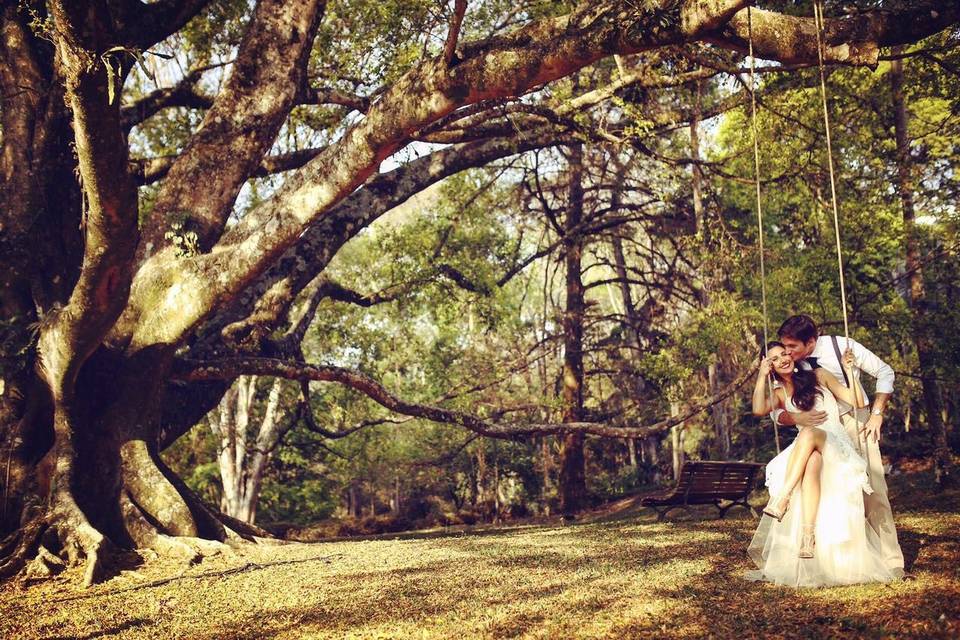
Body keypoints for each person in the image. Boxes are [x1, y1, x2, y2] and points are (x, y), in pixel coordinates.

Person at [746, 341, 900, 587]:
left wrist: (850, 371)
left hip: (835, 442)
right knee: (812, 460)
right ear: (770, 365)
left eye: (785, 353)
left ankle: (782, 499)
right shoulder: (779, 393)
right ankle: (808, 537)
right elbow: (757, 410)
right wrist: (761, 376)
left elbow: (858, 401)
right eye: (775, 358)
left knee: (808, 432)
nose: (784, 359)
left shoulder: (818, 376)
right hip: (809, 449)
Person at [774, 315, 904, 576]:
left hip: (856, 421)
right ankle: (834, 561)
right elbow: (776, 411)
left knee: (873, 491)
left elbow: (885, 372)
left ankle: (892, 563)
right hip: (819, 427)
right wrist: (796, 417)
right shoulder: (790, 367)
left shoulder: (842, 345)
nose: (787, 353)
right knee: (827, 492)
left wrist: (877, 412)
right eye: (783, 346)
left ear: (810, 341)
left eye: (792, 347)